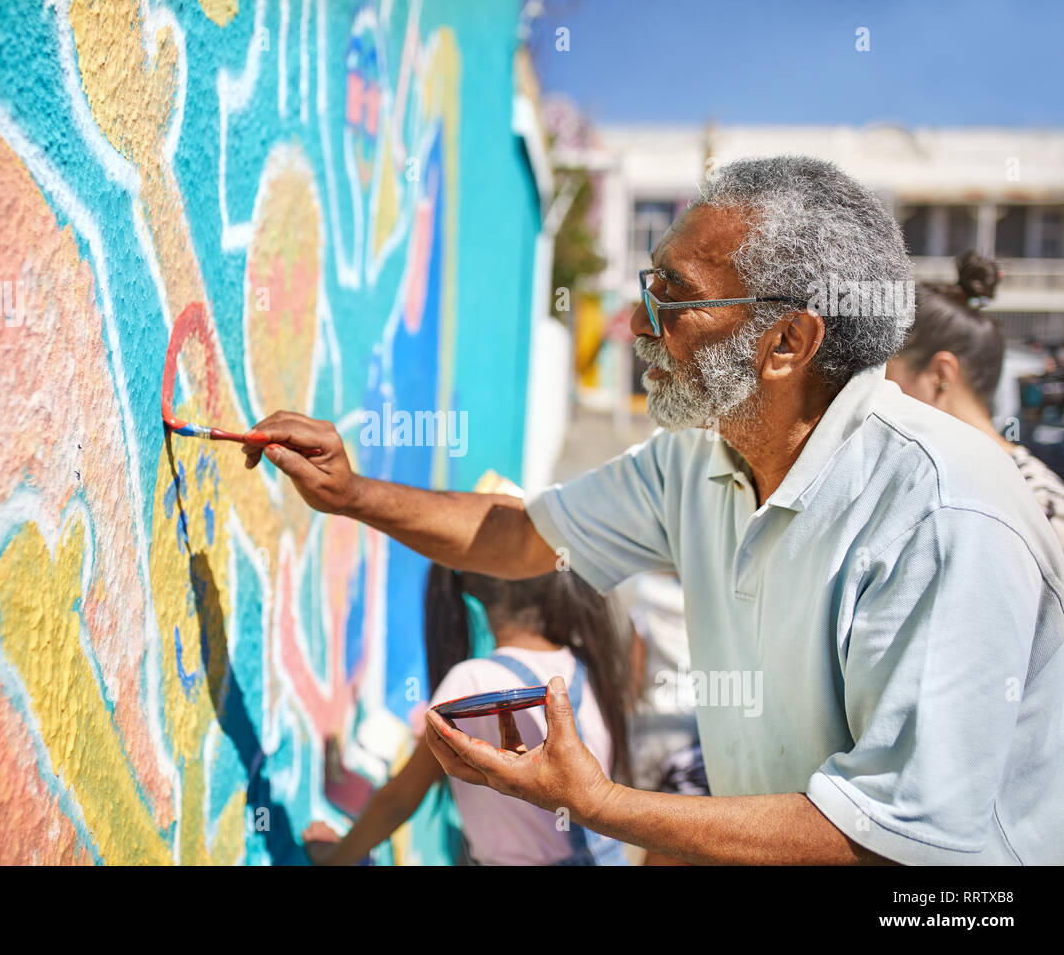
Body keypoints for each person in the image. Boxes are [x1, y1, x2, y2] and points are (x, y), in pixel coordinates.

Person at [248, 156, 1064, 865]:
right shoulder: (700, 456)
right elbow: (523, 534)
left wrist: (600, 804)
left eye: (674, 298)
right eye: (650, 285)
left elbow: (888, 838)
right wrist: (352, 495)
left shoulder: (943, 512)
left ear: (788, 343)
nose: (639, 324)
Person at [302, 561, 632, 865]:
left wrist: (334, 857)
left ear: (474, 594)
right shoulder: (582, 666)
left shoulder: (472, 681)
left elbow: (399, 800)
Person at [886, 250, 1064, 547]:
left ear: (940, 375)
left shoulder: (1033, 504)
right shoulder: (935, 479)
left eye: (885, 377)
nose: (875, 396)